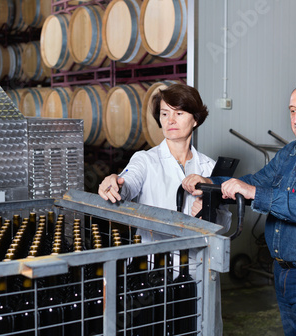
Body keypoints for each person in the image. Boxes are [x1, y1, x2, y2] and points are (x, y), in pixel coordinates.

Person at [183, 75, 296, 335]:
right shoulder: (291, 152)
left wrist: (252, 191)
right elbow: (255, 182)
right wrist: (210, 183)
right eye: (292, 110)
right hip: (284, 271)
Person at [98, 83, 230, 335]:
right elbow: (128, 183)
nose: (170, 120)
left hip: (197, 269)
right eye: (164, 113)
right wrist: (114, 181)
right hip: (152, 270)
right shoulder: (145, 160)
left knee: (196, 328)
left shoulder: (211, 168)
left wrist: (208, 212)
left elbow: (225, 225)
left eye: (178, 113)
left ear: (196, 119)